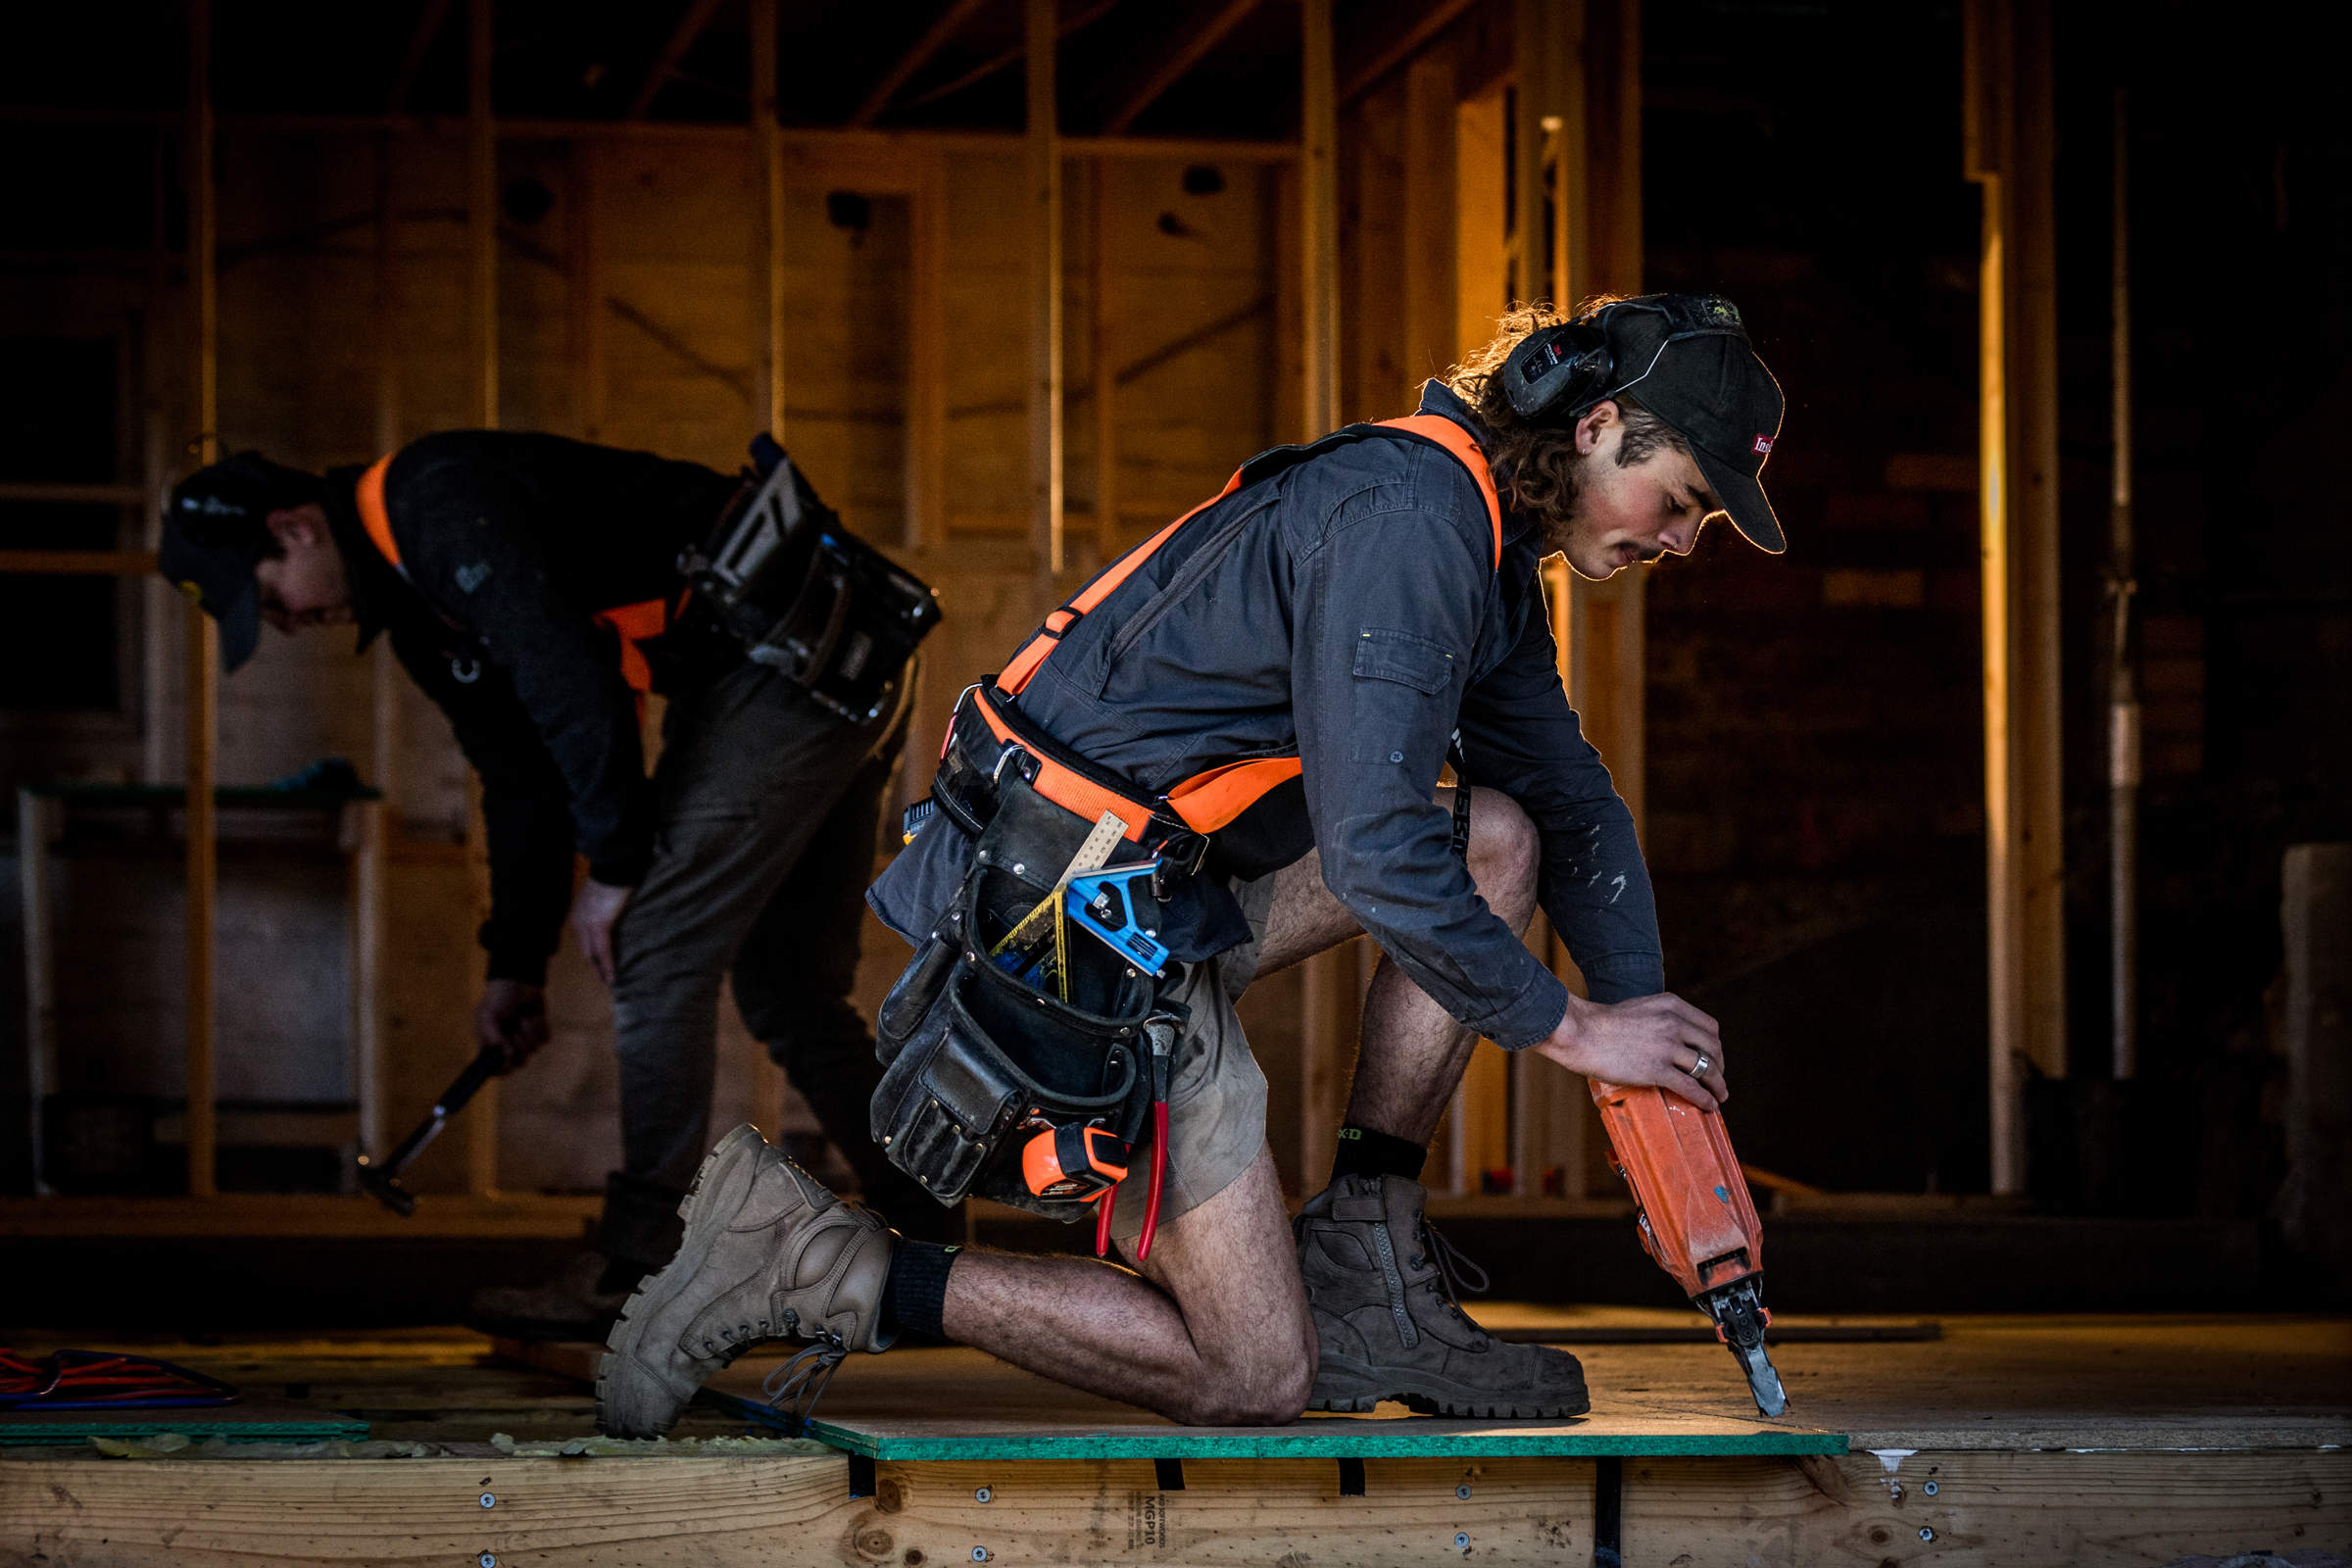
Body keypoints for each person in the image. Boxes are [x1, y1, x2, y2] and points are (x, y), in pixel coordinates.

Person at [597, 294, 1787, 1434]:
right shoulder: (1411, 522)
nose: (1680, 541)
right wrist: (1578, 1033)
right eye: (1679, 500)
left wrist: (1651, 1047)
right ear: (1591, 428)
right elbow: (1374, 851)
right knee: (1253, 1370)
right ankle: (815, 1258)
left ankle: (1364, 1257)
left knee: (1501, 839)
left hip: (1166, 883)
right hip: (1071, 923)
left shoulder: (1482, 542)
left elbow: (1572, 805)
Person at [160, 430, 956, 1337]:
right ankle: (925, 1224)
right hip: (814, 648)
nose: (285, 624)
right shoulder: (417, 602)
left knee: (654, 946)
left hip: (797, 651)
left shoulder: (437, 505)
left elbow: (575, 688)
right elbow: (520, 777)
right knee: (787, 984)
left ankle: (637, 1267)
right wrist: (516, 964)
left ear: (294, 529)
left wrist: (616, 872)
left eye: (268, 600)